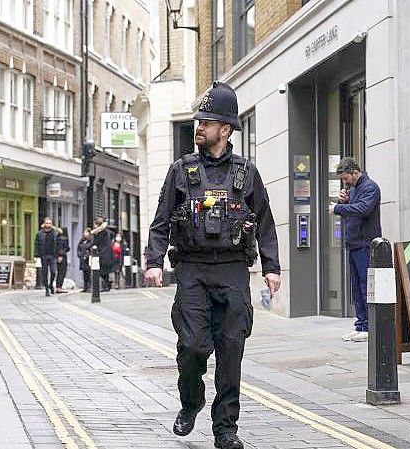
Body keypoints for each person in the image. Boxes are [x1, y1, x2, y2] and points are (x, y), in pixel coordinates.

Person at [143, 82, 281, 449]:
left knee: (231, 350)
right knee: (192, 347)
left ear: (226, 129)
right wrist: (154, 261)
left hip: (234, 271)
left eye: (206, 121)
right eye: (197, 120)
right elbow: (160, 222)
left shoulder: (246, 173)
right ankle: (191, 403)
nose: (198, 127)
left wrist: (272, 267)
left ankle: (225, 429)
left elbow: (265, 222)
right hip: (192, 271)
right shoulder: (180, 170)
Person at [329, 157, 381, 343]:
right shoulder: (355, 188)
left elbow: (363, 209)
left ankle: (368, 327)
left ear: (355, 172)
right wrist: (343, 203)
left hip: (365, 244)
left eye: (346, 178)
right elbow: (352, 210)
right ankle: (360, 325)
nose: (345, 182)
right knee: (356, 287)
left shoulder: (370, 187)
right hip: (354, 243)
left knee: (365, 284)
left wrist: (339, 208)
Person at [34, 217, 59, 296]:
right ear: (44, 224)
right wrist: (36, 255)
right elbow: (36, 244)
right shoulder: (39, 233)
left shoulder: (55, 233)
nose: (48, 225)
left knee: (53, 272)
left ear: (52, 225)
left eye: (50, 223)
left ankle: (51, 284)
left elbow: (58, 244)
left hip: (53, 255)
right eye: (47, 223)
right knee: (44, 273)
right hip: (43, 255)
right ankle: (47, 289)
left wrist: (59, 255)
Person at [91, 217, 114, 291]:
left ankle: (107, 285)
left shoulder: (103, 232)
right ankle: (107, 284)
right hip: (102, 253)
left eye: (95, 224)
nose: (94, 226)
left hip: (104, 254)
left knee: (102, 271)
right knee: (103, 271)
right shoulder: (98, 232)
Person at [55, 226, 71, 293]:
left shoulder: (58, 237)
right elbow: (64, 248)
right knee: (62, 272)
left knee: (60, 272)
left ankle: (58, 286)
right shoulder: (62, 238)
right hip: (62, 256)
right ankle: (59, 287)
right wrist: (60, 255)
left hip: (61, 256)